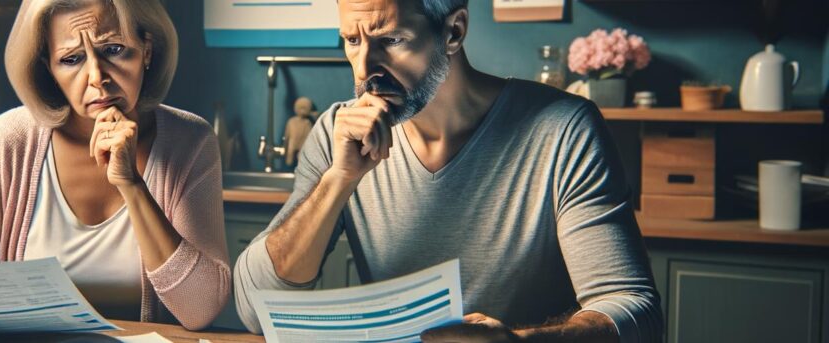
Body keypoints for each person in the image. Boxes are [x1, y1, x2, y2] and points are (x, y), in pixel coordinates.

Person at [233, 0, 663, 342]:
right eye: (351, 40)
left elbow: (636, 312)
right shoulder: (336, 134)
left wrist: (517, 342)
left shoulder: (564, 129)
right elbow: (254, 309)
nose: (364, 70)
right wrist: (339, 180)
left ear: (453, 31)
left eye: (392, 39)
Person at [0, 0, 231, 341]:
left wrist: (131, 184)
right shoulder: (8, 142)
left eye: (114, 49)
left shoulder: (190, 140)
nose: (97, 78)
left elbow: (200, 310)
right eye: (71, 59)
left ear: (147, 50)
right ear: (48, 70)